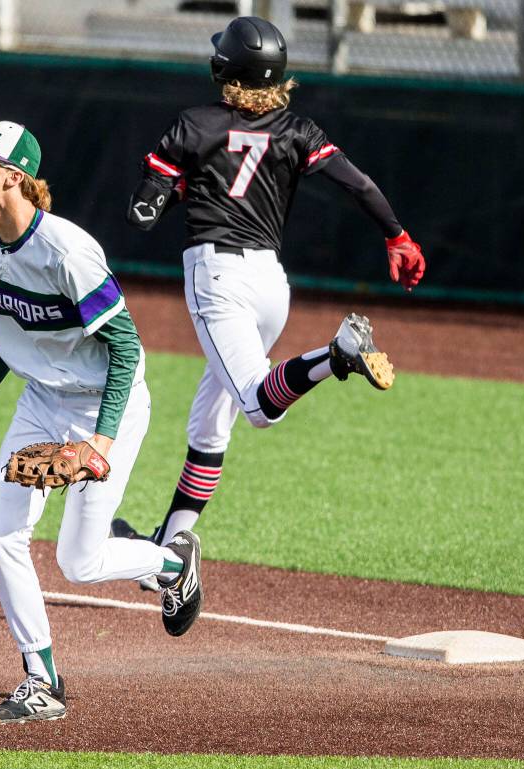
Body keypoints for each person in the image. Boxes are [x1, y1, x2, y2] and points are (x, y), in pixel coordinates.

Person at [116, 16, 426, 576]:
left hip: (217, 279)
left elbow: (141, 215)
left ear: (223, 67)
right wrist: (397, 235)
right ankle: (167, 550)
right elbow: (357, 183)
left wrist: (168, 190)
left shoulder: (193, 124)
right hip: (270, 286)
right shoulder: (298, 130)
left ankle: (336, 356)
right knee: (211, 423)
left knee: (258, 407)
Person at [0, 120, 203, 725]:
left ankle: (172, 564)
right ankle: (42, 678)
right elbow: (12, 337)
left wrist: (101, 441)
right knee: (2, 534)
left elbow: (127, 347)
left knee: (80, 563)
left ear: (16, 177)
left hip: (106, 403)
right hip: (41, 401)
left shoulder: (68, 252)